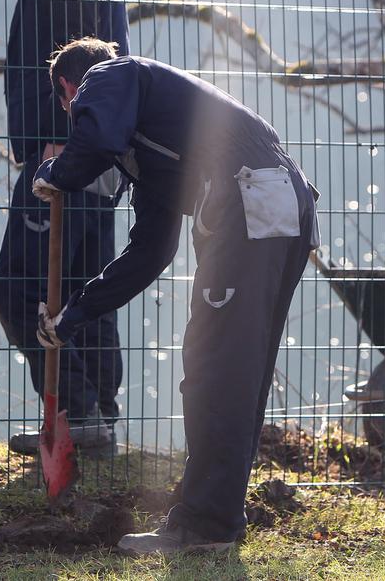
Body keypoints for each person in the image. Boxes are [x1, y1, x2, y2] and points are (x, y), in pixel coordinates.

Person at [30, 38, 319, 555]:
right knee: (232, 368)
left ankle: (204, 525)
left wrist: (54, 173)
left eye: (68, 105)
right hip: (278, 204)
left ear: (68, 89)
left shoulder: (111, 74)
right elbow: (149, 253)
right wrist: (74, 314)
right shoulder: (152, 138)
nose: (73, 113)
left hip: (248, 203)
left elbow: (93, 136)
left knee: (214, 367)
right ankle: (214, 516)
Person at [0, 0, 129, 456]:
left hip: (66, 156)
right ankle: (95, 419)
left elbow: (84, 54)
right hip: (99, 153)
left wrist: (60, 139)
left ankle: (76, 408)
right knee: (84, 288)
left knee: (17, 288)